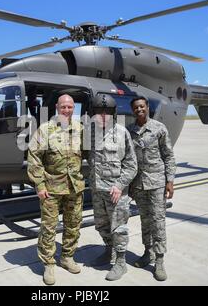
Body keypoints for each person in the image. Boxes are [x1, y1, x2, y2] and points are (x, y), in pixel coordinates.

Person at [27, 94, 85, 285]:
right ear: (57, 107)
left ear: (73, 108)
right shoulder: (45, 130)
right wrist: (40, 185)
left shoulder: (80, 129)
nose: (66, 110)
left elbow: (89, 154)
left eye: (70, 107)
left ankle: (67, 257)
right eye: (63, 107)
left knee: (73, 224)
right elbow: (34, 158)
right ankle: (48, 263)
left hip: (74, 187)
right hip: (51, 188)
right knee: (49, 227)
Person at [88, 93, 137, 281]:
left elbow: (132, 164)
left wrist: (119, 185)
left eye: (106, 112)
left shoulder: (121, 133)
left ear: (113, 113)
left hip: (116, 192)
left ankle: (121, 262)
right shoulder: (90, 133)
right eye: (98, 111)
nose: (102, 115)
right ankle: (108, 251)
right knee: (101, 225)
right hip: (97, 190)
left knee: (119, 228)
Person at [127, 96, 176, 281]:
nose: (139, 109)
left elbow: (169, 156)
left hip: (156, 183)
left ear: (147, 107)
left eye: (142, 106)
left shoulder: (159, 128)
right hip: (138, 184)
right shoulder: (130, 131)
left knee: (158, 222)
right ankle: (148, 252)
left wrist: (170, 180)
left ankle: (160, 260)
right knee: (144, 221)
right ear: (133, 110)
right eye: (136, 107)